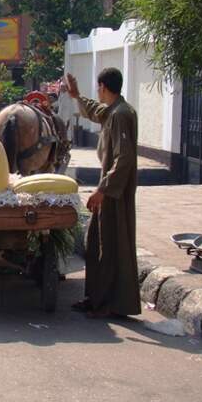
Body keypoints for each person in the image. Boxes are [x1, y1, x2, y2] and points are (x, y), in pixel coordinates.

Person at [64, 68, 141, 318]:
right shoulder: (114, 110)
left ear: (103, 86)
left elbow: (125, 157)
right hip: (110, 188)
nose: (97, 92)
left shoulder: (121, 114)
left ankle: (113, 303)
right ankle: (96, 298)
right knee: (97, 240)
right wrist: (76, 95)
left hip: (115, 192)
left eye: (98, 88)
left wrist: (102, 190)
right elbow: (97, 111)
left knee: (111, 244)